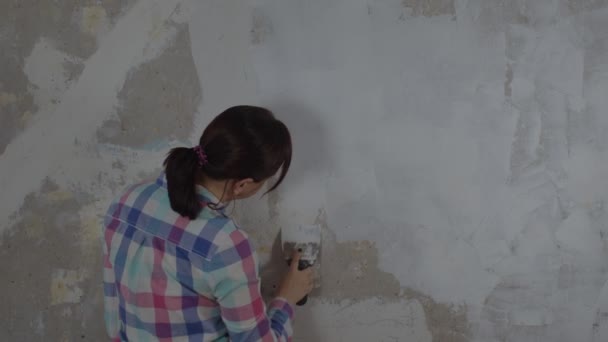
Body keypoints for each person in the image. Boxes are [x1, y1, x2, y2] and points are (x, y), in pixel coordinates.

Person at [102, 105, 313, 341]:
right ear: (242, 184)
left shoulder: (125, 202)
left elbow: (113, 309)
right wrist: (286, 299)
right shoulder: (226, 244)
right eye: (263, 181)